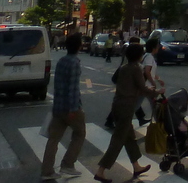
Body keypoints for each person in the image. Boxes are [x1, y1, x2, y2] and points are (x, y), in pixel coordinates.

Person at [93, 43, 153, 183]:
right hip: (127, 106)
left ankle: (136, 166)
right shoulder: (136, 69)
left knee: (129, 137)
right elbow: (142, 88)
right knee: (118, 140)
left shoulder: (123, 68)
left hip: (117, 104)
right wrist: (156, 92)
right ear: (139, 56)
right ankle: (101, 171)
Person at [41, 33, 85, 181]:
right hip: (70, 108)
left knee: (53, 139)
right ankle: (67, 164)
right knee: (79, 134)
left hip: (58, 107)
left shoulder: (61, 61)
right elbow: (72, 88)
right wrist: (73, 109)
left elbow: (59, 86)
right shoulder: (75, 63)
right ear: (79, 46)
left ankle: (47, 171)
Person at [139, 38, 163, 125]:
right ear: (153, 48)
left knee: (137, 104)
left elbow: (149, 71)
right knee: (154, 104)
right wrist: (153, 82)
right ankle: (159, 123)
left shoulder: (146, 56)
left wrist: (158, 79)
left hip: (145, 85)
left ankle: (158, 122)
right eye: (158, 46)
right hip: (147, 86)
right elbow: (147, 71)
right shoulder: (149, 57)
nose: (159, 47)